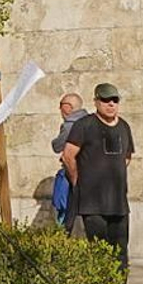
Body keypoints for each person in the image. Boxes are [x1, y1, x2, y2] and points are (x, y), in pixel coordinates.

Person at [61, 82, 142, 284]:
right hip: (92, 202)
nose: (111, 104)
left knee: (121, 251)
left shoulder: (124, 127)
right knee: (98, 250)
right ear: (96, 101)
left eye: (114, 100)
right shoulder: (84, 126)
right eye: (106, 100)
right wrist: (79, 181)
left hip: (118, 202)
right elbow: (68, 155)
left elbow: (126, 157)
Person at [50, 92, 88, 228]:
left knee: (65, 211)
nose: (59, 110)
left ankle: (63, 239)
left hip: (73, 173)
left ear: (67, 107)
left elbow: (57, 146)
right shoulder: (91, 122)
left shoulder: (70, 125)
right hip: (92, 176)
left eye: (60, 106)